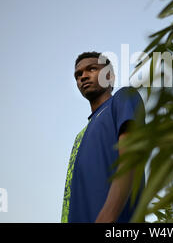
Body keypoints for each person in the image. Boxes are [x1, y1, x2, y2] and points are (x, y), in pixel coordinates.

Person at [61, 51, 145, 223]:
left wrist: (107, 217)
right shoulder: (80, 137)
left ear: (110, 77)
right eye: (78, 74)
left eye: (91, 69)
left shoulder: (123, 99)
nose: (83, 76)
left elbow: (130, 158)